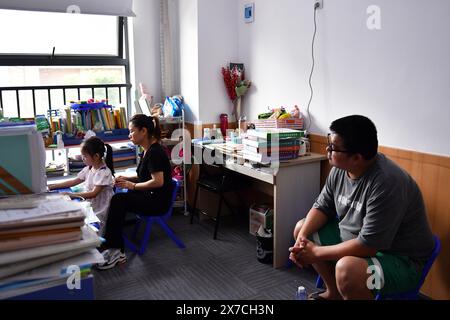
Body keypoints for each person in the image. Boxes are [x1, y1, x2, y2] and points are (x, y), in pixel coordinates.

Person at [289, 115, 434, 300]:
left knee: (347, 270)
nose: (328, 149)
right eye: (329, 142)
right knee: (303, 228)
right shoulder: (340, 170)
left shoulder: (387, 183)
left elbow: (369, 246)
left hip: (400, 261)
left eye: (334, 147)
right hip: (360, 240)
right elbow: (322, 207)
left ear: (357, 157)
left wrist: (315, 253)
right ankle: (333, 293)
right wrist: (301, 240)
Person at [96, 114, 173, 270]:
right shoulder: (147, 150)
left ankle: (116, 250)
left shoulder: (155, 152)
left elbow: (158, 182)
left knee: (119, 200)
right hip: (150, 196)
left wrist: (132, 186)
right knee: (118, 197)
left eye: (132, 131)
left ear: (143, 131)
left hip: (157, 202)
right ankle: (113, 243)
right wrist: (126, 178)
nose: (129, 135)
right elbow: (145, 176)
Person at [48, 136, 114, 234]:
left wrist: (71, 195)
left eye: (85, 156)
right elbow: (74, 181)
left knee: (92, 227)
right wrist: (52, 186)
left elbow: (93, 194)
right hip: (91, 203)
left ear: (96, 156)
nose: (82, 159)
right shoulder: (89, 168)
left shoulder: (104, 172)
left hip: (101, 207)